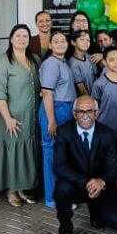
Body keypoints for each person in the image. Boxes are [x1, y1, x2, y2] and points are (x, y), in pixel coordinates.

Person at [52, 95, 117, 234]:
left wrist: (101, 182)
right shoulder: (64, 132)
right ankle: (65, 230)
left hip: (100, 185)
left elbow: (113, 168)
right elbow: (59, 166)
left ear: (96, 113)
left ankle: (95, 209)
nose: (85, 116)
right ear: (74, 113)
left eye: (89, 111)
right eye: (81, 111)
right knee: (61, 189)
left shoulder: (107, 134)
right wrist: (86, 182)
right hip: (75, 184)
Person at [0, 24, 40, 207]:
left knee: (26, 152)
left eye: (25, 36)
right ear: (11, 39)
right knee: (13, 152)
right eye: (18, 35)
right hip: (12, 117)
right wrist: (8, 118)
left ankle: (22, 189)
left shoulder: (34, 60)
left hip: (30, 116)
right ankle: (12, 190)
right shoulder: (3, 62)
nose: (21, 39)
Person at [39, 29, 77, 209]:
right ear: (50, 45)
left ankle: (62, 194)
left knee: (62, 155)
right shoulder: (51, 64)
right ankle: (53, 198)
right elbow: (47, 92)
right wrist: (51, 120)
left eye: (63, 40)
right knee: (51, 154)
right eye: (56, 41)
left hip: (66, 110)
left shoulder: (63, 62)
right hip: (55, 110)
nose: (60, 43)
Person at [68, 29, 97, 97]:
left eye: (88, 40)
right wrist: (91, 100)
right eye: (82, 39)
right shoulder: (73, 63)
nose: (86, 42)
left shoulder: (90, 57)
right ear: (73, 42)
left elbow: (95, 77)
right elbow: (82, 89)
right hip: (84, 99)